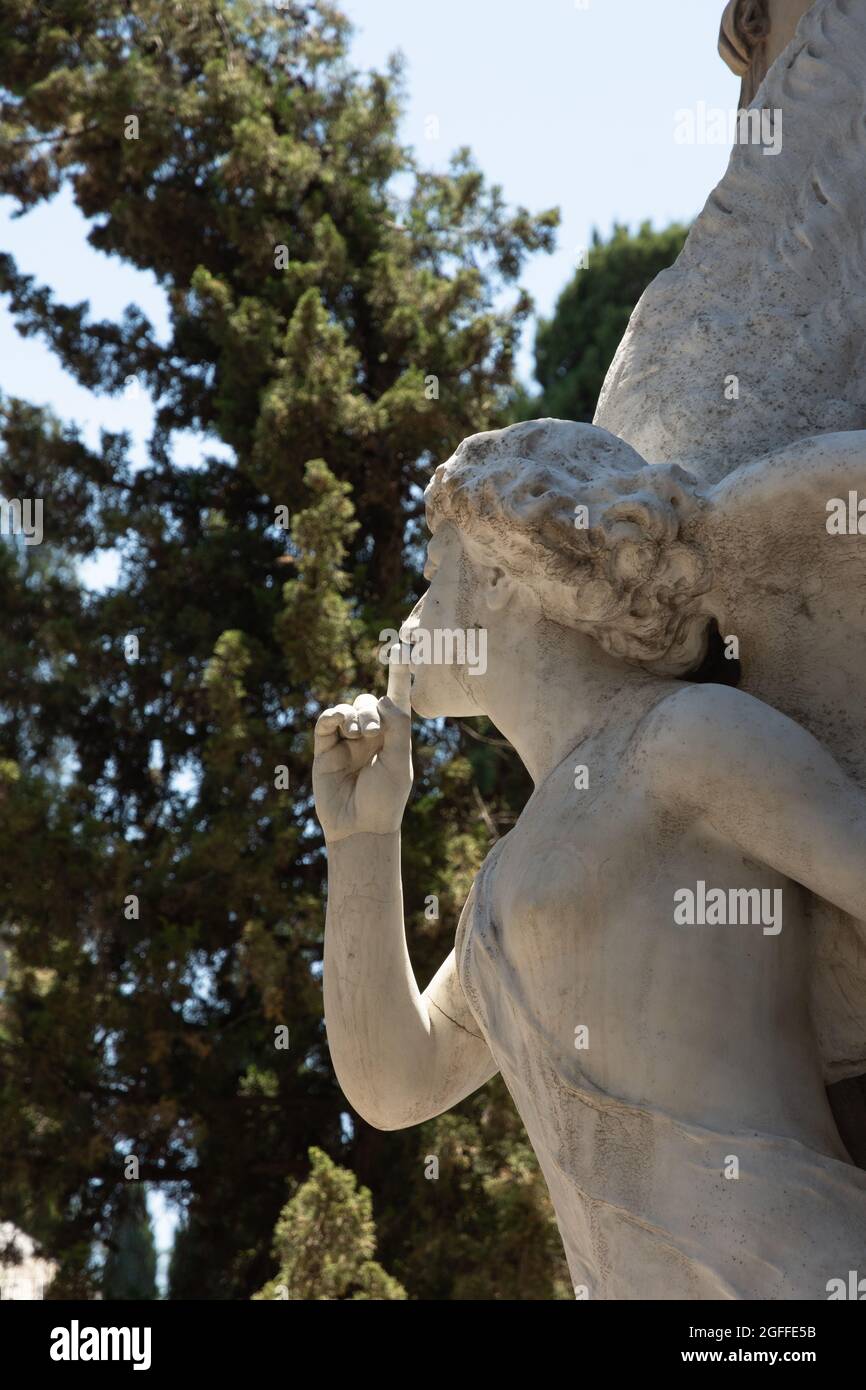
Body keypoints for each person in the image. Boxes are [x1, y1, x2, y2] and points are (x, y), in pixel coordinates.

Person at [313, 419, 866, 1299]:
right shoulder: (508, 874)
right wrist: (363, 842)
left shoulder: (685, 742)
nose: (410, 620)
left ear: (498, 573)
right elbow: (398, 1085)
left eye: (431, 577)